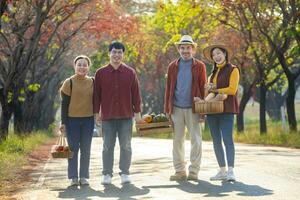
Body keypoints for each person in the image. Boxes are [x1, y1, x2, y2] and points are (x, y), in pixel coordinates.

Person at [93, 41, 143, 185]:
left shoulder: (130, 72)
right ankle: (107, 174)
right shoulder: (100, 73)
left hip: (126, 116)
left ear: (123, 54)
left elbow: (136, 94)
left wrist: (137, 112)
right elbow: (96, 95)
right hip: (107, 117)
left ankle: (125, 173)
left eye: (120, 52)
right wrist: (96, 113)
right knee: (107, 146)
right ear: (109, 53)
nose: (116, 55)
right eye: (114, 52)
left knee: (126, 146)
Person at [164, 35, 207, 181]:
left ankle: (194, 170)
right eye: (182, 48)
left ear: (193, 49)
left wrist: (203, 108)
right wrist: (168, 109)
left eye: (188, 48)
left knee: (196, 139)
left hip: (193, 108)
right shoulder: (172, 66)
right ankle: (180, 171)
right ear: (179, 49)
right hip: (176, 107)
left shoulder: (199, 66)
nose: (185, 51)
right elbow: (169, 88)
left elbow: (203, 87)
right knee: (177, 140)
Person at [203, 44, 240, 182]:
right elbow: (209, 92)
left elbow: (232, 90)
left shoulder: (233, 69)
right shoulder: (212, 73)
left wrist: (216, 90)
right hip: (212, 111)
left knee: (227, 139)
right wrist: (209, 88)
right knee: (216, 141)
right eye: (214, 55)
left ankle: (231, 171)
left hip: (227, 109)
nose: (216, 56)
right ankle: (222, 170)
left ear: (225, 54)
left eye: (219, 53)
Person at [59, 55, 94, 186]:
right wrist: (63, 123)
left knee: (86, 149)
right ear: (75, 66)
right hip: (72, 121)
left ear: (88, 67)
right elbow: (64, 105)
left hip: (88, 120)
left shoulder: (93, 81)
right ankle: (73, 177)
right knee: (73, 149)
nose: (82, 67)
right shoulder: (69, 82)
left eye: (85, 65)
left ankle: (84, 176)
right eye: (79, 64)